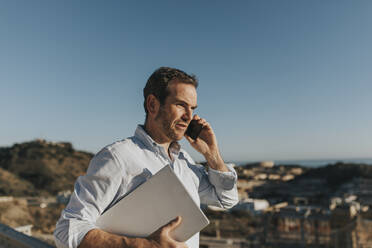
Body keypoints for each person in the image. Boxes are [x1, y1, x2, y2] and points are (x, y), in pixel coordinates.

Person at [54, 67, 239, 248]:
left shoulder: (184, 161)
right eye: (181, 105)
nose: (189, 116)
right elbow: (67, 230)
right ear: (152, 105)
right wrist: (145, 245)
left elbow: (225, 199)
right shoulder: (118, 157)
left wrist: (211, 154)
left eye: (192, 108)